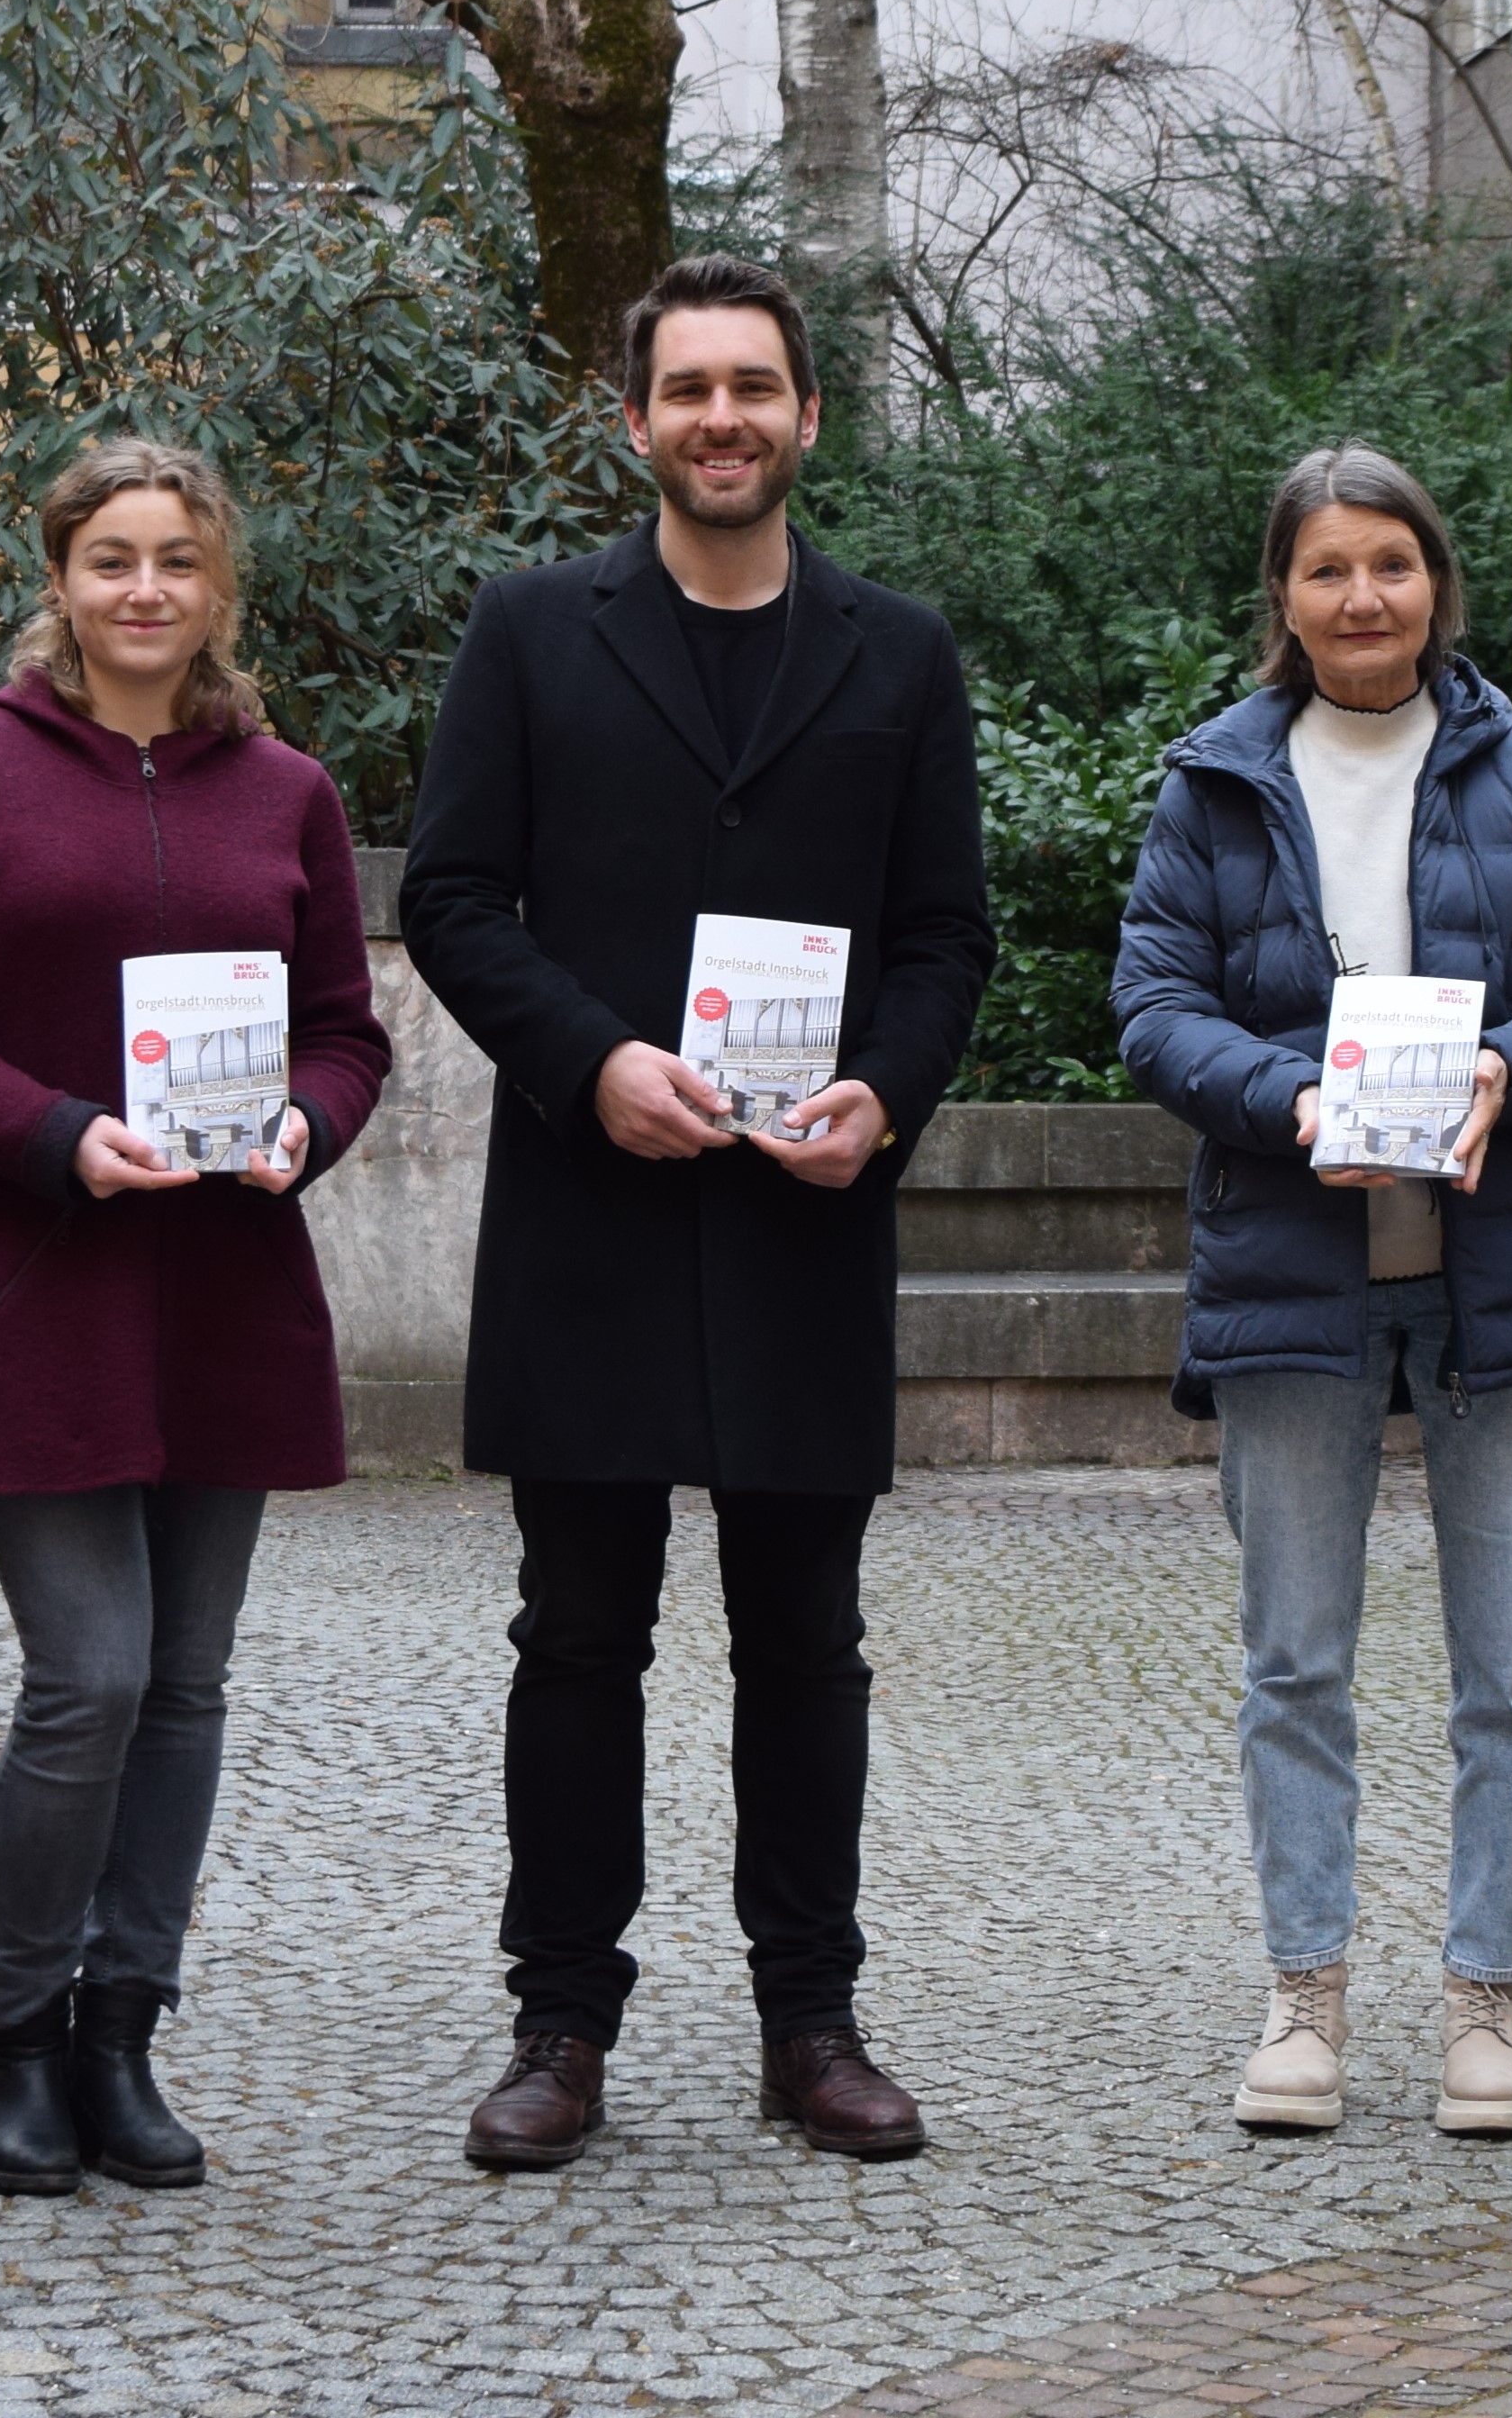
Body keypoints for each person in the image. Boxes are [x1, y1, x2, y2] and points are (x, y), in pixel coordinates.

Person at [401, 254, 995, 2171]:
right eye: (689, 389)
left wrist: (883, 1097)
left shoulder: (897, 655)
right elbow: (456, 899)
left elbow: (943, 934)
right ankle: (559, 2025)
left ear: (809, 417)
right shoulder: (530, 632)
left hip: (806, 1215)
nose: (722, 418)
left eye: (756, 386)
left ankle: (809, 2024)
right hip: (595, 1203)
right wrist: (593, 1065)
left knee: (805, 1643)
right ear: (635, 418)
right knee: (577, 1639)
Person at [0, 439, 393, 2196]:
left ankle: (123, 2032)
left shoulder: (284, 787)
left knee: (187, 1691)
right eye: (110, 560)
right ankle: (20, 2035)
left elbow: (347, 1026)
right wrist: (56, 1135)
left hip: (223, 1286)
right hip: (37, 1281)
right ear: (60, 580)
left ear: (220, 589)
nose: (144, 590)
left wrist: (312, 1121)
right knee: (89, 1679)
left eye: (176, 561)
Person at [1111, 448, 1512, 2140]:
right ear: (1281, 594)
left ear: (1439, 582)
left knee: (1511, 1672)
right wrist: (1287, 1105)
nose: (1364, 599)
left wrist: (1507, 1060)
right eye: (1329, 569)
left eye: (1394, 566)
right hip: (1297, 1272)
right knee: (1296, 1666)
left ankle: (1487, 2001)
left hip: (1506, 1275)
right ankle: (1307, 1996)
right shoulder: (1213, 784)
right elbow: (1151, 1005)